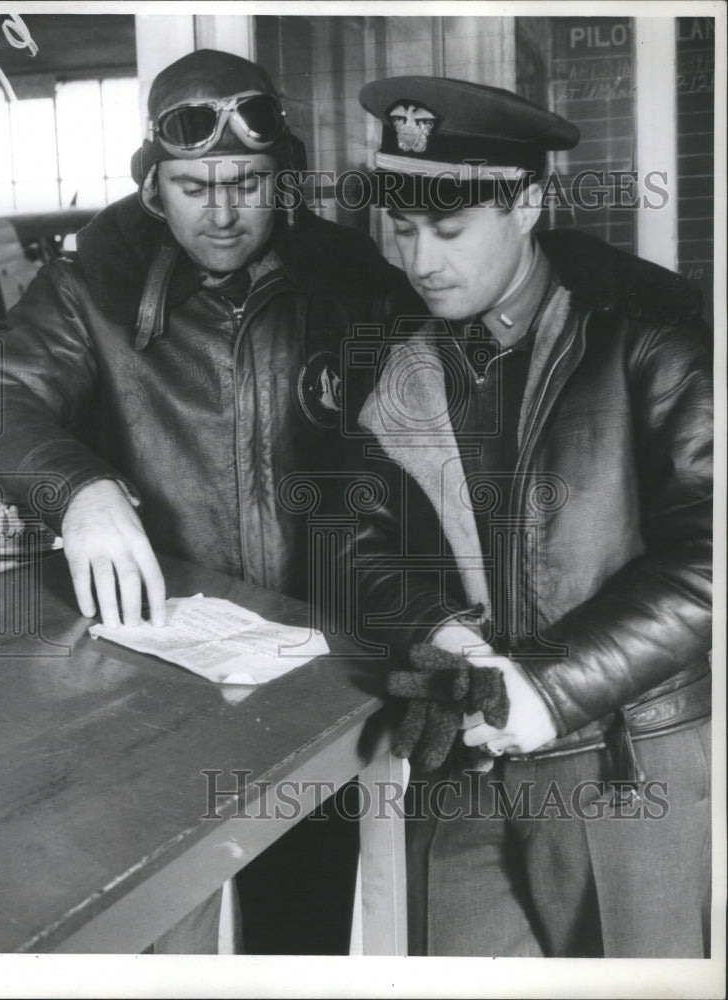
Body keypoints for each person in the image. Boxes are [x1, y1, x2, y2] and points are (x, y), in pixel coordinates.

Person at [0, 49, 421, 954]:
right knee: (163, 933)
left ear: (278, 180)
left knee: (300, 937)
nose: (222, 210)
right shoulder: (92, 284)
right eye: (194, 185)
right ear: (153, 186)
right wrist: (77, 489)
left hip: (315, 670)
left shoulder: (351, 280)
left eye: (245, 182)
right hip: (156, 684)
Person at [342, 76, 712, 957]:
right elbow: (356, 541)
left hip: (619, 760)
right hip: (457, 759)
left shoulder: (649, 332)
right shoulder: (394, 344)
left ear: (528, 204)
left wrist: (550, 686)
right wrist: (435, 630)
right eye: (402, 230)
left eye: (448, 230)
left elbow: (709, 555)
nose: (422, 260)